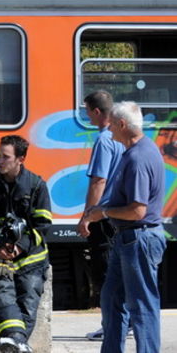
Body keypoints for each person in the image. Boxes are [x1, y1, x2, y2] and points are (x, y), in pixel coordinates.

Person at [80, 101, 166, 353]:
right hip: (127, 239)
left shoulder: (138, 158)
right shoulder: (136, 151)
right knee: (112, 298)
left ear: (122, 124)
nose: (108, 131)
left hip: (138, 238)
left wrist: (102, 212)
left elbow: (138, 210)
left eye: (111, 126)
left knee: (142, 305)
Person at [0, 135, 51, 353]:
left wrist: (19, 246)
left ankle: (13, 342)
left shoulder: (36, 185)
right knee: (1, 293)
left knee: (29, 297)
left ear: (20, 159)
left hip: (30, 258)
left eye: (5, 157)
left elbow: (42, 225)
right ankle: (17, 342)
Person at [76, 90, 125, 341]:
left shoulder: (104, 141)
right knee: (119, 271)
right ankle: (123, 323)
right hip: (119, 214)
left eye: (87, 111)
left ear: (96, 112)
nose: (86, 116)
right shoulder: (121, 136)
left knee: (105, 272)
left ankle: (113, 326)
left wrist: (87, 216)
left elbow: (98, 181)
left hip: (103, 218)